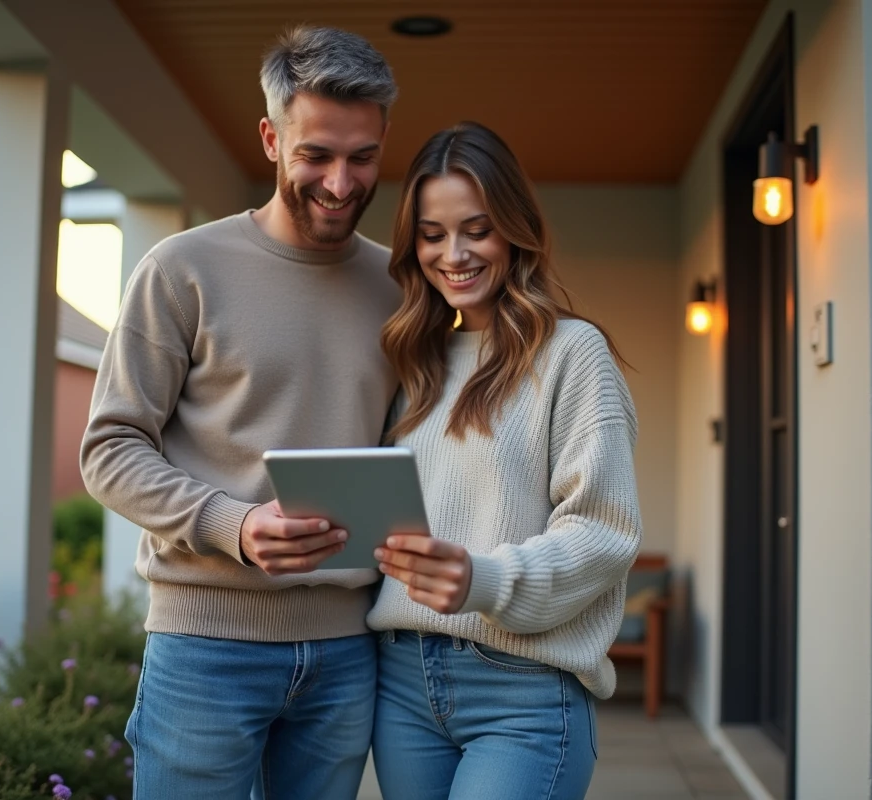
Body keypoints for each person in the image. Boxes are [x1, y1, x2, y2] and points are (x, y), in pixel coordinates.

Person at [80, 26, 400, 799]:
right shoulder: (182, 270)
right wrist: (233, 523)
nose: (340, 181)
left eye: (362, 157)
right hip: (204, 646)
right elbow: (110, 449)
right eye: (315, 154)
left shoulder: (399, 287)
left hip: (348, 650)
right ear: (269, 137)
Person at [367, 121, 643, 800]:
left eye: (477, 228)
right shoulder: (412, 361)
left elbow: (604, 533)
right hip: (401, 685)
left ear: (515, 229)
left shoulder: (573, 356)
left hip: (521, 690)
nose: (453, 254)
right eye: (432, 234)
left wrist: (484, 579)